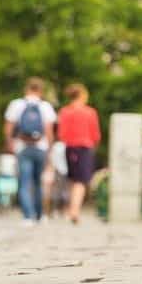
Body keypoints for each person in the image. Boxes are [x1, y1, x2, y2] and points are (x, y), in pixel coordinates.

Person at [3, 77, 57, 225]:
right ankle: (40, 215)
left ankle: (27, 216)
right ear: (41, 91)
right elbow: (49, 131)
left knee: (24, 182)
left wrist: (9, 144)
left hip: (22, 147)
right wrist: (50, 149)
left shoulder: (16, 104)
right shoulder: (45, 106)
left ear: (26, 89)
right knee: (38, 182)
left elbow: (8, 127)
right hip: (41, 147)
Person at [57, 83, 100, 224]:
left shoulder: (65, 111)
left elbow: (61, 133)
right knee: (81, 181)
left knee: (73, 180)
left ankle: (71, 208)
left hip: (69, 148)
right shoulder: (89, 112)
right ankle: (74, 211)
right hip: (84, 147)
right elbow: (96, 135)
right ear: (82, 95)